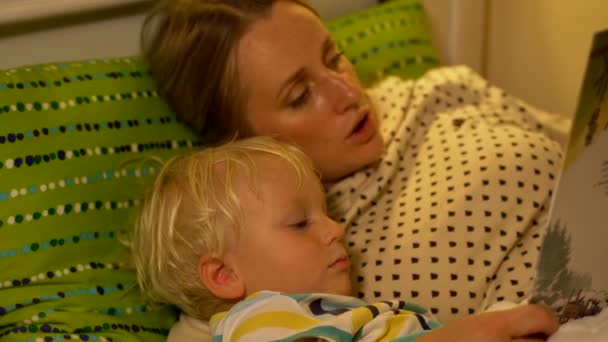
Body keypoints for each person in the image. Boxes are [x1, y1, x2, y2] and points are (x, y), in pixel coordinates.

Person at [142, 0, 570, 327]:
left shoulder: (443, 91)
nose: (348, 92)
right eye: (299, 96)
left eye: (333, 58)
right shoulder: (294, 261)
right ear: (240, 142)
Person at [132, 136, 558, 341]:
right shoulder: (258, 322)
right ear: (224, 275)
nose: (336, 230)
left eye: (329, 214)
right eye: (300, 223)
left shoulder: (312, 314)